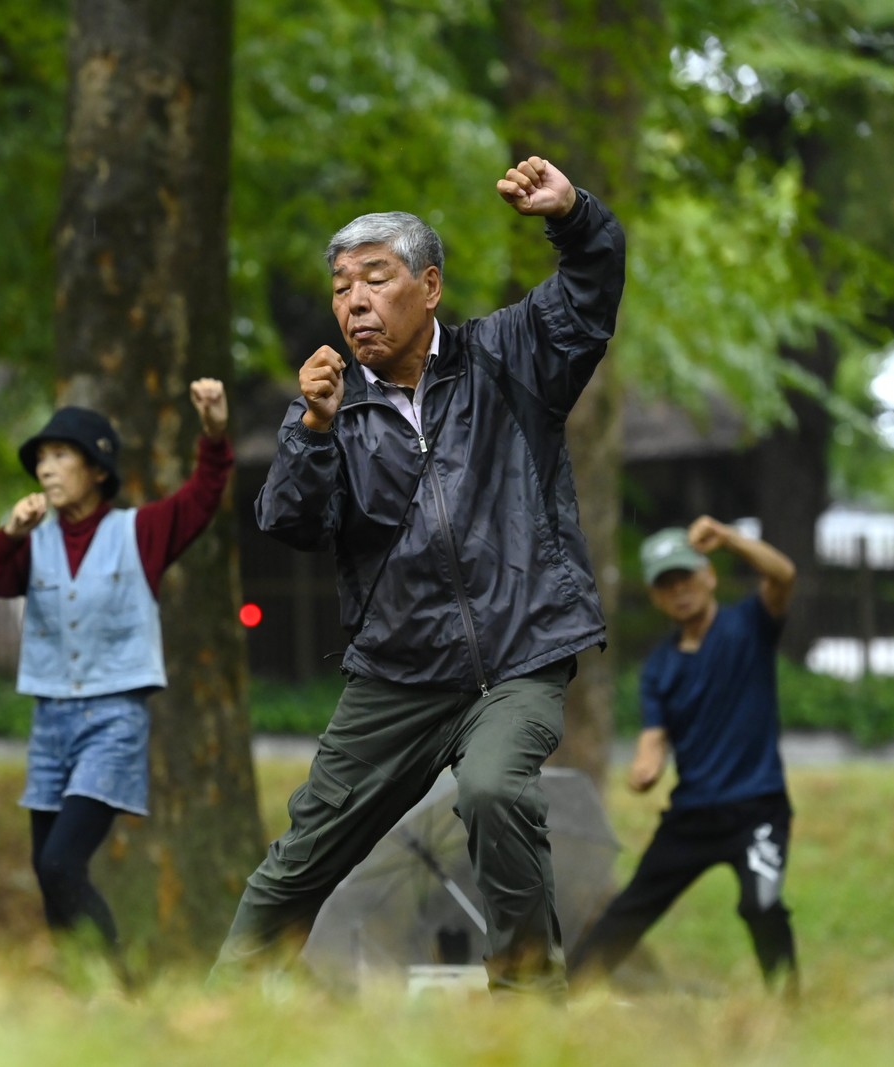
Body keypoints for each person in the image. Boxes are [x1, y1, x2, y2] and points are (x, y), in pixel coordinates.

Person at [211, 156, 626, 996]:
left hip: (518, 651)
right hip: (399, 672)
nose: (355, 301)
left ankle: (527, 1006)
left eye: (376, 278)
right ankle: (210, 1016)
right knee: (303, 854)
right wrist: (313, 431)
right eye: (341, 288)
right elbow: (292, 522)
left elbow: (590, 286)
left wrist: (572, 213)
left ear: (429, 287)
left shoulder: (509, 356)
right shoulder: (328, 408)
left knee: (493, 789)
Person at [0, 380, 232, 954]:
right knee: (47, 870)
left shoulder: (138, 533)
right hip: (50, 721)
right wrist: (11, 530)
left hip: (112, 720)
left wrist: (213, 431)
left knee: (63, 862)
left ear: (97, 469)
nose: (46, 469)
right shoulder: (30, 542)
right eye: (40, 458)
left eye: (60, 455)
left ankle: (113, 993)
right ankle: (82, 997)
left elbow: (202, 497)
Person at [568, 517, 799, 995]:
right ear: (656, 597)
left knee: (762, 904)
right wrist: (644, 765)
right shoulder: (661, 667)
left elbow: (783, 575)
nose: (680, 592)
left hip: (758, 809)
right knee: (629, 910)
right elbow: (655, 735)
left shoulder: (749, 626)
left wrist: (731, 538)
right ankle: (560, 1002)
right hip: (691, 816)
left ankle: (788, 1010)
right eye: (666, 585)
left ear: (709, 575)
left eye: (687, 577)